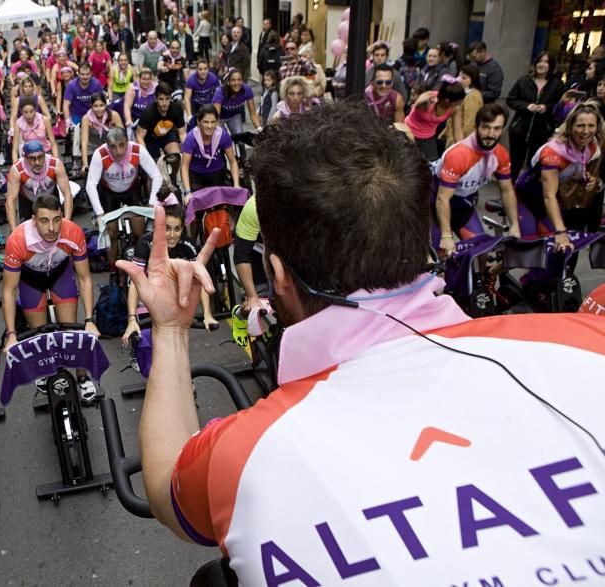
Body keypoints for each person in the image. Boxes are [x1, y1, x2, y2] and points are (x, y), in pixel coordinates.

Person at [121, 100, 605, 582]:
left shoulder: (245, 451)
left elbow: (165, 484)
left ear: (278, 276)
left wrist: (170, 329)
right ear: (424, 241)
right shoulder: (588, 344)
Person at [1, 193, 100, 402]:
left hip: (60, 275)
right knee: (41, 337)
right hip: (31, 281)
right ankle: (45, 372)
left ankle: (82, 378)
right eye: (44, 221)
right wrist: (11, 334)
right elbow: (9, 291)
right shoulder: (18, 240)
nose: (52, 228)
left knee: (70, 330)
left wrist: (90, 320)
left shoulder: (72, 232)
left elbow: (84, 278)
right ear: (33, 219)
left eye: (56, 220)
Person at [122, 186, 217, 347]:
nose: (172, 235)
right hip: (147, 291)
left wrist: (207, 314)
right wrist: (132, 319)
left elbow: (199, 280)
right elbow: (135, 283)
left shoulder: (187, 245)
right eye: (167, 228)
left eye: (177, 229)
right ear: (159, 227)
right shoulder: (145, 243)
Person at [433, 104, 520, 254]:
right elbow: (442, 198)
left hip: (463, 205)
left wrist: (514, 225)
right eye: (486, 127)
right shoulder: (459, 155)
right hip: (434, 205)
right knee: (440, 257)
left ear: (503, 129)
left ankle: (482, 277)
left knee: (481, 251)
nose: (491, 134)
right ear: (476, 127)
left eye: (497, 128)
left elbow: (507, 190)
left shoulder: (501, 154)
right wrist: (447, 236)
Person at [515, 103, 604, 249]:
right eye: (580, 125)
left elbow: (571, 171)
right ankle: (492, 271)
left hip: (550, 200)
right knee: (528, 248)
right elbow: (548, 195)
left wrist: (588, 180)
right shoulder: (553, 152)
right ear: (570, 126)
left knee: (552, 249)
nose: (586, 131)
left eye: (591, 126)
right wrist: (560, 231)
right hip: (526, 199)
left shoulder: (592, 147)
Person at [86, 126, 163, 263]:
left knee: (140, 233)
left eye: (122, 145)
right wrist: (99, 213)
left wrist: (151, 202)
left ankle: (141, 262)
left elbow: (157, 176)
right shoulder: (100, 154)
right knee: (111, 234)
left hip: (132, 191)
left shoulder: (137, 150)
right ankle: (113, 270)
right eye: (113, 147)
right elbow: (90, 185)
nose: (118, 151)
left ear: (128, 141)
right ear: (107, 145)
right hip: (109, 194)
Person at [506, 52, 567, 179]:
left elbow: (560, 106)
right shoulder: (523, 81)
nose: (542, 64)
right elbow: (511, 99)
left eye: (546, 62)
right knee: (514, 164)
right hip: (519, 130)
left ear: (551, 65)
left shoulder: (557, 84)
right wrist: (526, 106)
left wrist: (546, 108)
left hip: (542, 132)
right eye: (539, 61)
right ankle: (509, 193)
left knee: (534, 164)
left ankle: (525, 193)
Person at [6, 140, 72, 230]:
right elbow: (10, 201)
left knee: (55, 229)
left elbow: (67, 194)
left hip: (51, 198)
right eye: (32, 158)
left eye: (40, 157)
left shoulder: (55, 164)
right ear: (25, 158)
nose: (37, 162)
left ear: (45, 154)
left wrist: (67, 222)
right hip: (28, 203)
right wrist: (14, 231)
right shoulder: (17, 169)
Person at [179, 104, 240, 196]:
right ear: (198, 122)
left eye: (213, 122)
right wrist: (188, 192)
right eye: (206, 122)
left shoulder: (223, 135)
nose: (210, 126)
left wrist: (236, 184)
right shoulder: (191, 138)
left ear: (217, 122)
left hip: (217, 172)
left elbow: (233, 162)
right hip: (196, 175)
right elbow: (184, 167)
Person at [405, 77, 466, 161]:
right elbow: (417, 105)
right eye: (457, 103)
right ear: (447, 101)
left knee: (432, 164)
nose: (459, 105)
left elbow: (458, 131)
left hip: (428, 137)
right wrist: (426, 101)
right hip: (409, 132)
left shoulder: (455, 109)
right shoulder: (428, 97)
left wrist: (462, 150)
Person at [135, 81, 187, 162]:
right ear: (156, 99)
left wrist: (187, 151)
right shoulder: (149, 112)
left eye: (167, 99)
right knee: (153, 163)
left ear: (171, 98)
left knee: (177, 158)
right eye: (161, 99)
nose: (164, 103)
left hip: (168, 134)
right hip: (150, 138)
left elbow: (182, 133)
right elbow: (139, 136)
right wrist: (145, 156)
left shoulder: (176, 109)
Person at [63, 63, 105, 154]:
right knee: (76, 134)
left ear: (91, 74)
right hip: (76, 115)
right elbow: (66, 104)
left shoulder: (96, 84)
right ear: (78, 74)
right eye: (82, 74)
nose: (85, 77)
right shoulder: (71, 85)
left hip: (93, 114)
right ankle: (76, 156)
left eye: (87, 74)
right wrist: (67, 120)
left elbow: (102, 102)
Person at [440, 64, 484, 152]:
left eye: (464, 78)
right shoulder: (462, 93)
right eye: (459, 76)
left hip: (461, 139)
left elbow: (469, 122)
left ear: (472, 80)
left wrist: (462, 142)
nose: (459, 79)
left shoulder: (473, 96)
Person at [80, 92, 124, 173]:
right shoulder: (86, 119)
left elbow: (123, 138)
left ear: (106, 105)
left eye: (101, 105)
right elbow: (84, 142)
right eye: (95, 106)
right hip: (92, 150)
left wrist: (123, 157)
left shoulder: (114, 115)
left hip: (110, 149)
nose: (99, 109)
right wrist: (85, 164)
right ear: (91, 106)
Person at [213, 69, 261, 134]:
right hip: (219, 117)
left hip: (234, 115)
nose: (236, 83)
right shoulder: (219, 92)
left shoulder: (246, 89)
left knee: (240, 138)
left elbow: (253, 114)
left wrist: (260, 129)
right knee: (222, 137)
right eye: (233, 80)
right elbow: (215, 117)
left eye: (239, 80)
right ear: (228, 82)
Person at [13, 96, 58, 162]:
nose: (29, 115)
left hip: (45, 153)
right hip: (29, 156)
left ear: (35, 109)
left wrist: (56, 160)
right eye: (25, 112)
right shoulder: (19, 123)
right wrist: (16, 164)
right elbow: (15, 149)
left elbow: (53, 143)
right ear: (21, 112)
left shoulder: (44, 120)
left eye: (31, 111)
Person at [183, 58, 221, 130]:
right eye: (200, 69)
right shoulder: (191, 80)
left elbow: (219, 96)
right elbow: (187, 98)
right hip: (195, 105)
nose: (203, 71)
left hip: (209, 104)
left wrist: (217, 114)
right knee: (191, 126)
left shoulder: (214, 78)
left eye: (205, 69)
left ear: (208, 69)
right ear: (196, 70)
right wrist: (189, 115)